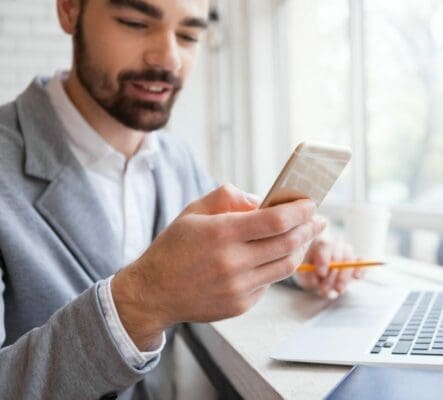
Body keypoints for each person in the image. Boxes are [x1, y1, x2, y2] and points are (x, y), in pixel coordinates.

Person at [0, 0, 363, 398]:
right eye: (135, 23)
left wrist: (294, 258)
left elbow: (222, 253)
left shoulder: (176, 162)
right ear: (69, 10)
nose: (169, 58)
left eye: (189, 35)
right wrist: (143, 302)